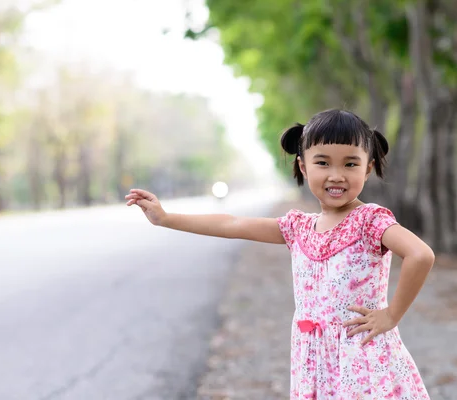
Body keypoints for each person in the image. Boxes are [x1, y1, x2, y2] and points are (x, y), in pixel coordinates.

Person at [125, 109, 434, 399]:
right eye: (323, 163)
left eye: (350, 164)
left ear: (367, 169)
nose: (336, 175)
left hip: (361, 356)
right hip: (313, 357)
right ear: (303, 166)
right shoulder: (299, 227)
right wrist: (166, 219)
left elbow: (420, 255)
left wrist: (391, 315)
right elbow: (233, 223)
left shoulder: (370, 221)